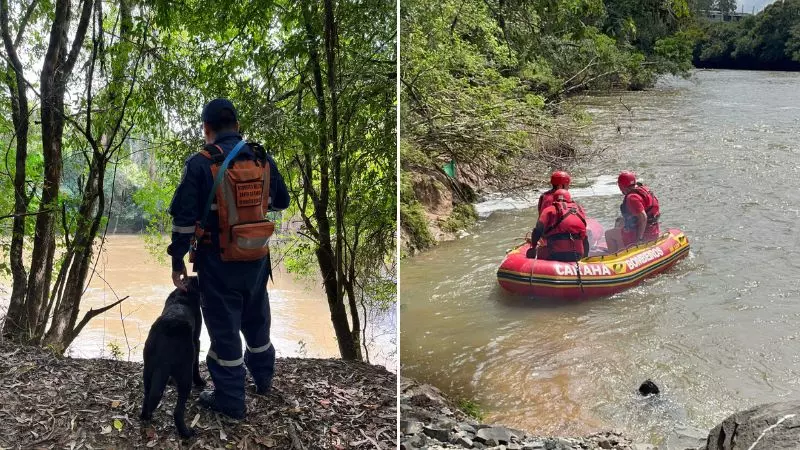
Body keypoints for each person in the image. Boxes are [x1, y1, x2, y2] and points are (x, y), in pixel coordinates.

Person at [167, 98, 290, 419]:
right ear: (237, 126)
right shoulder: (263, 159)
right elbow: (282, 201)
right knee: (257, 320)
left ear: (206, 129)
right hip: (257, 260)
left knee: (223, 332)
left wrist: (177, 261)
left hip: (217, 263)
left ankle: (231, 399)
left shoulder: (199, 164)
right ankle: (263, 379)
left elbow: (183, 220)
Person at [605, 171, 660, 252]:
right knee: (619, 221)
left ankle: (614, 256)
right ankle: (621, 244)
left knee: (608, 234)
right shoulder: (644, 190)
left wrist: (639, 239)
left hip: (644, 234)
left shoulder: (632, 198)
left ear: (621, 186)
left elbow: (643, 218)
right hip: (653, 230)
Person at [529, 189, 589, 262]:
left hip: (555, 253)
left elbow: (537, 231)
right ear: (569, 199)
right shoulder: (580, 210)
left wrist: (534, 247)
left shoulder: (549, 210)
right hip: (578, 254)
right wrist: (585, 257)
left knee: (529, 253)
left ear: (554, 199)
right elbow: (585, 238)